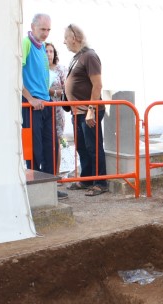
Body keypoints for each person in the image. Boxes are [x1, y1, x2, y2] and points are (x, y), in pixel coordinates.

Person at [63, 24, 108, 196]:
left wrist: (91, 109)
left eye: (66, 37)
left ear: (74, 38)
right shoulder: (78, 57)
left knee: (93, 147)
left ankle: (100, 182)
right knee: (82, 147)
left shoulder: (90, 56)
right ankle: (87, 179)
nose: (64, 41)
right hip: (77, 112)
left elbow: (97, 85)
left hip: (88, 111)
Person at [21, 13, 55, 176]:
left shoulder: (42, 47)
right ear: (32, 27)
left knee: (50, 147)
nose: (46, 33)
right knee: (34, 149)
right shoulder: (26, 43)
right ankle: (35, 187)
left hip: (45, 103)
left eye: (48, 29)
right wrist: (29, 98)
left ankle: (50, 187)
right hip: (31, 104)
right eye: (43, 29)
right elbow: (14, 74)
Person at [46, 42, 67, 179]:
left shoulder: (60, 69)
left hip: (57, 109)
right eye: (46, 51)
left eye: (51, 51)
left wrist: (52, 92)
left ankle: (57, 173)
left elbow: (66, 90)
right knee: (46, 141)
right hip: (43, 108)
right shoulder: (38, 69)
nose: (48, 54)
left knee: (57, 141)